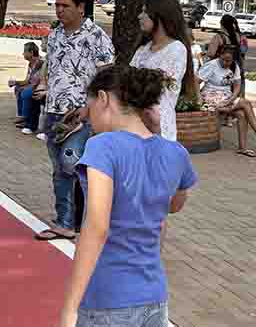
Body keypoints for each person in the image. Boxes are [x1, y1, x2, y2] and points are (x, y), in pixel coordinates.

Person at [58, 65, 197, 327]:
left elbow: (97, 227)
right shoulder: (175, 152)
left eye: (90, 108)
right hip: (154, 296)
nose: (89, 118)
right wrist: (156, 134)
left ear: (103, 99)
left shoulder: (102, 147)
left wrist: (70, 308)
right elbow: (172, 205)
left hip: (107, 296)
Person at [35, 0, 114, 242]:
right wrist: (44, 86)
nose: (59, 10)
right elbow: (52, 66)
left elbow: (107, 77)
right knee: (60, 170)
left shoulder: (96, 35)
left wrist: (89, 108)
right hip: (54, 113)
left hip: (83, 117)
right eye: (57, 6)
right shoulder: (55, 35)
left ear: (81, 8)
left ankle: (98, 223)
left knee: (74, 165)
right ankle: (64, 223)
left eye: (65, 6)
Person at [130, 0, 197, 141]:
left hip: (160, 130)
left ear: (159, 16)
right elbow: (127, 80)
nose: (139, 16)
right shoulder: (143, 49)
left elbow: (155, 87)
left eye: (144, 12)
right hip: (136, 127)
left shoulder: (176, 49)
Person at [198, 46, 256, 157]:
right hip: (211, 96)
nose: (226, 63)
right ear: (219, 56)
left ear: (233, 60)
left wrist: (230, 100)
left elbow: (237, 86)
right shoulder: (211, 66)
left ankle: (242, 147)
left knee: (241, 114)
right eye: (223, 60)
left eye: (228, 61)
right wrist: (200, 101)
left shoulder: (235, 66)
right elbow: (195, 83)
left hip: (227, 97)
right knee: (246, 103)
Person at [10, 42, 44, 132]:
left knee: (26, 92)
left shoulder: (40, 63)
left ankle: (25, 117)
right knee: (18, 88)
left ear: (31, 52)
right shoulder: (30, 64)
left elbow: (38, 81)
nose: (23, 54)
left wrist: (27, 87)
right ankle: (21, 116)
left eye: (25, 52)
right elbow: (27, 80)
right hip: (33, 85)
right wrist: (16, 82)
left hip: (40, 87)